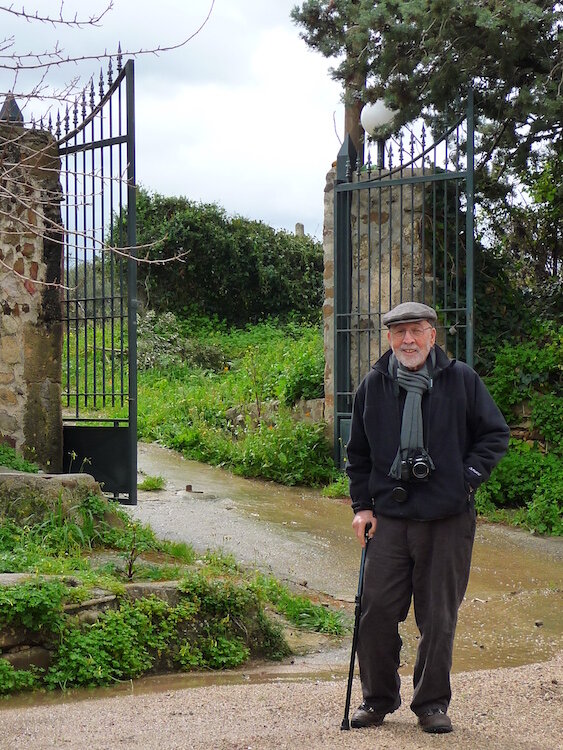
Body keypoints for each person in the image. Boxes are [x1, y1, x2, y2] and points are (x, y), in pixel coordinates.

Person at [346, 301, 509, 734]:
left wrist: (465, 480)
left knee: (438, 617)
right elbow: (357, 455)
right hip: (391, 518)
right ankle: (377, 699)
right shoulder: (373, 386)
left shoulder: (461, 381)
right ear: (389, 339)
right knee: (376, 612)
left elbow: (494, 434)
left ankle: (431, 703)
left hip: (446, 518)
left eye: (416, 331)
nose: (408, 341)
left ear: (433, 335)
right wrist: (361, 506)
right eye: (399, 333)